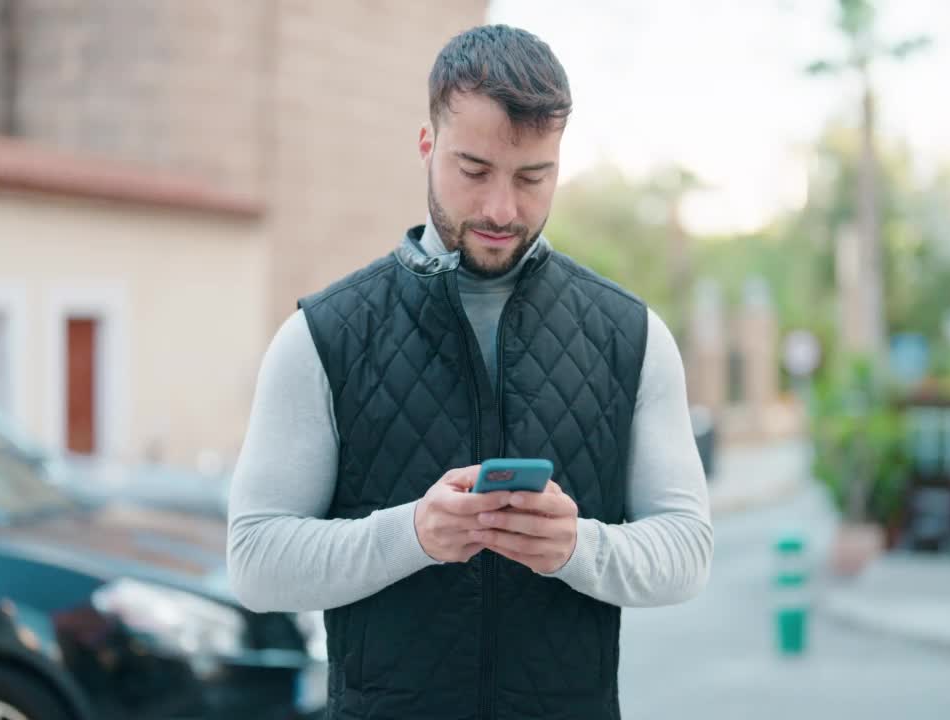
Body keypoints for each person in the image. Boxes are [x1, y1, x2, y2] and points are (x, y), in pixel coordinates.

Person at [228, 24, 713, 720]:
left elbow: (687, 551)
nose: (500, 209)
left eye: (531, 178)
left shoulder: (632, 337)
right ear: (426, 146)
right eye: (474, 170)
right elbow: (254, 560)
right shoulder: (321, 337)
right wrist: (414, 535)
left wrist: (579, 546)